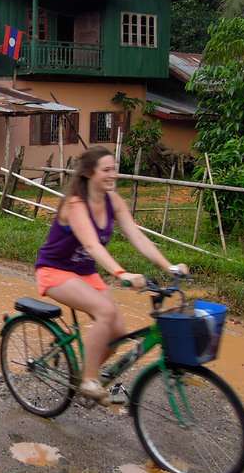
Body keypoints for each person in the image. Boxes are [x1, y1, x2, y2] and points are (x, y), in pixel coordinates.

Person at [35, 146, 188, 402]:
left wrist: (168, 266)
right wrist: (121, 273)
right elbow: (92, 245)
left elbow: (137, 236)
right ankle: (89, 381)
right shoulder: (75, 204)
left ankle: (85, 373)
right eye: (106, 170)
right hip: (55, 270)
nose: (112, 175)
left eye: (114, 169)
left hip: (84, 273)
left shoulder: (113, 201)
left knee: (117, 333)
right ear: (89, 173)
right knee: (105, 311)